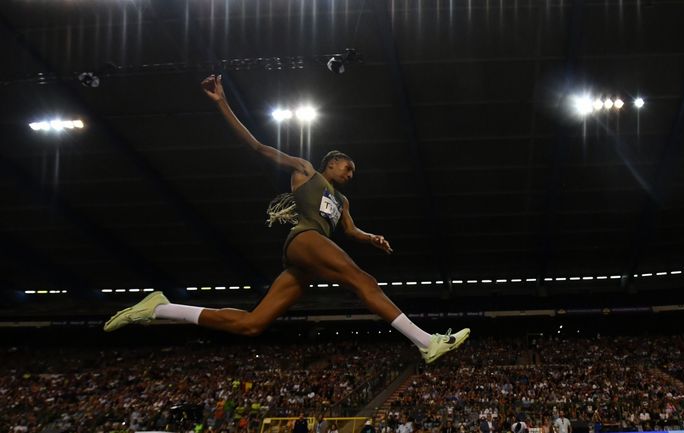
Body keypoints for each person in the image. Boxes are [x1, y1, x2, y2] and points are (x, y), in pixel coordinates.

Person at [102, 74, 469, 363]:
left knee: (252, 325)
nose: (351, 173)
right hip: (304, 240)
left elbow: (350, 230)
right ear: (331, 162)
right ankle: (425, 341)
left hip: (306, 262)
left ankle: (159, 308)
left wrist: (371, 237)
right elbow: (258, 146)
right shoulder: (306, 171)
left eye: (354, 171)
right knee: (362, 279)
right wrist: (223, 103)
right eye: (348, 167)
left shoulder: (342, 199)